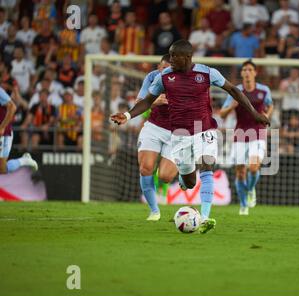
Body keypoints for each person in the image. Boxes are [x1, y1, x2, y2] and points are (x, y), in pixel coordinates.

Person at [111, 40, 269, 233]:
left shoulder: (207, 73)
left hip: (205, 130)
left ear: (186, 57)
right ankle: (185, 182)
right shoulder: (164, 77)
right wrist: (127, 115)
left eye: (173, 56)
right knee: (190, 181)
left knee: (206, 165)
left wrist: (254, 113)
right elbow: (147, 102)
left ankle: (205, 217)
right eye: (169, 55)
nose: (170, 59)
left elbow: (234, 90)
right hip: (180, 135)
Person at [220, 60, 274, 215]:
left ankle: (250, 190)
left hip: (258, 133)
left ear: (255, 73)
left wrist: (267, 115)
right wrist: (232, 106)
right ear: (242, 73)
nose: (247, 72)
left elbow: (271, 105)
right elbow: (222, 114)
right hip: (240, 134)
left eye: (250, 69)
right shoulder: (236, 91)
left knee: (253, 166)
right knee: (240, 172)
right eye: (244, 70)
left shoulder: (264, 90)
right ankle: (243, 205)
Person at [135, 54, 178, 221]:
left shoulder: (184, 81)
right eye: (162, 68)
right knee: (145, 168)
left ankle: (184, 165)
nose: (164, 72)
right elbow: (139, 102)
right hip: (154, 127)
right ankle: (154, 211)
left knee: (165, 176)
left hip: (177, 132)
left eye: (168, 69)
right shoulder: (152, 77)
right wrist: (155, 101)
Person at [0, 86, 38, 175]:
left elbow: (12, 107)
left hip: (3, 133)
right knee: (2, 169)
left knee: (2, 169)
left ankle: (24, 160)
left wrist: (2, 127)